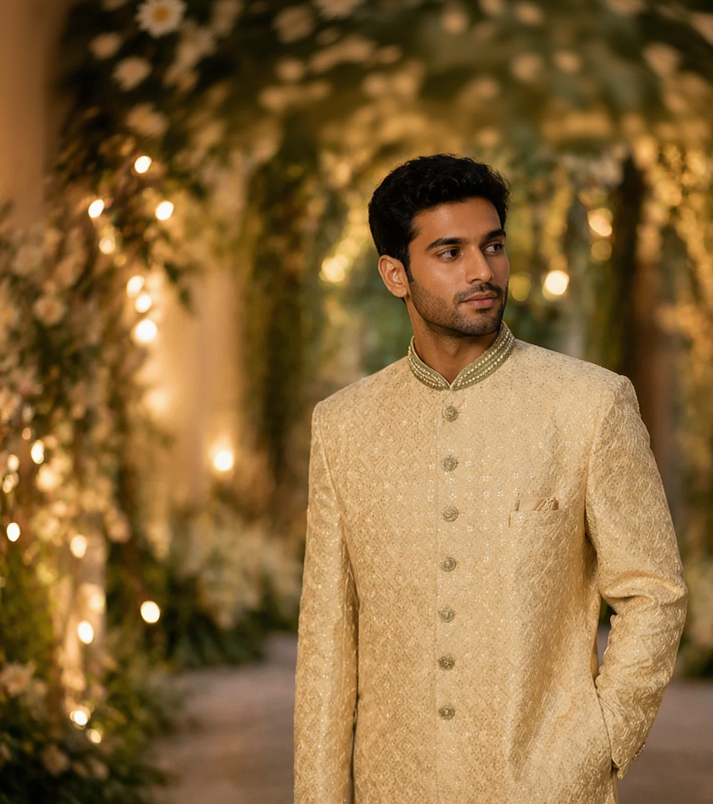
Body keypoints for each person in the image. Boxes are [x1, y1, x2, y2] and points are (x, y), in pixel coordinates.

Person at [294, 154, 686, 804]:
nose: (482, 271)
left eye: (493, 245)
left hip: (545, 786)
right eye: (450, 252)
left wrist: (597, 744)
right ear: (396, 274)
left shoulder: (588, 404)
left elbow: (654, 593)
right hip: (394, 787)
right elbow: (329, 634)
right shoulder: (344, 427)